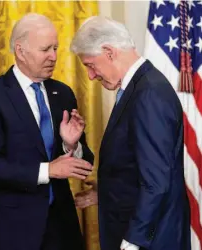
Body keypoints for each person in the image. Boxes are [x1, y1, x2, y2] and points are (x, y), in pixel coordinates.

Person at [0, 13, 94, 250]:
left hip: (60, 228)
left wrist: (71, 145)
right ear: (20, 50)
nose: (54, 57)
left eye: (56, 48)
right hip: (11, 229)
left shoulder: (63, 93)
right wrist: (49, 170)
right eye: (45, 49)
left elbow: (85, 162)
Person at [71, 16, 191, 250]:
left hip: (151, 239)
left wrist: (133, 241)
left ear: (109, 52)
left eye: (90, 65)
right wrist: (107, 190)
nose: (91, 76)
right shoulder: (139, 87)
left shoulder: (149, 93)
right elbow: (138, 166)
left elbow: (155, 182)